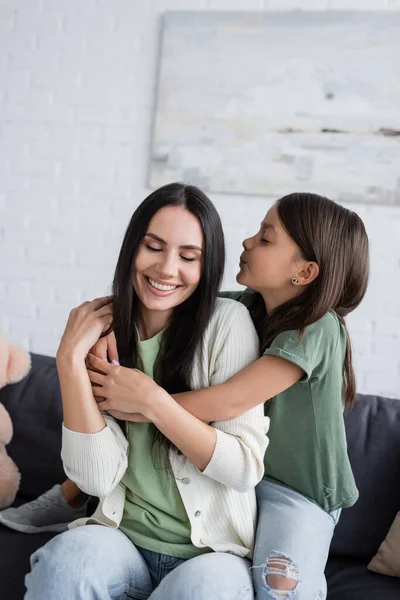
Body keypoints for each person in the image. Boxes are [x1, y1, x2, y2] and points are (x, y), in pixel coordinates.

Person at [78, 192, 369, 600]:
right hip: (242, 484)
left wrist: (146, 405)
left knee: (279, 587)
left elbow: (231, 401)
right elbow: (167, 301)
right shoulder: (247, 307)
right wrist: (109, 322)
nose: (247, 241)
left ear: (304, 272)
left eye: (266, 239)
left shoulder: (319, 328)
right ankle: (64, 497)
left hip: (297, 492)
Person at [23, 182, 269, 600]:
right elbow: (97, 479)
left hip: (212, 555)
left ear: (206, 267)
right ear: (131, 248)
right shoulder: (100, 334)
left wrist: (154, 402)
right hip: (121, 539)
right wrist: (69, 360)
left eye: (188, 257)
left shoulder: (228, 324)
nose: (167, 269)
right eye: (153, 247)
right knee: (65, 564)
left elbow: (244, 469)